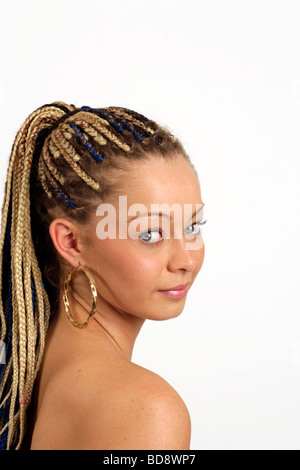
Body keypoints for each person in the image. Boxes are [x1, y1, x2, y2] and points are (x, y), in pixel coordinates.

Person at [0, 102, 206, 450]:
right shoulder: (146, 409)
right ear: (71, 241)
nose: (186, 258)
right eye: (150, 234)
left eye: (193, 226)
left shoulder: (28, 373)